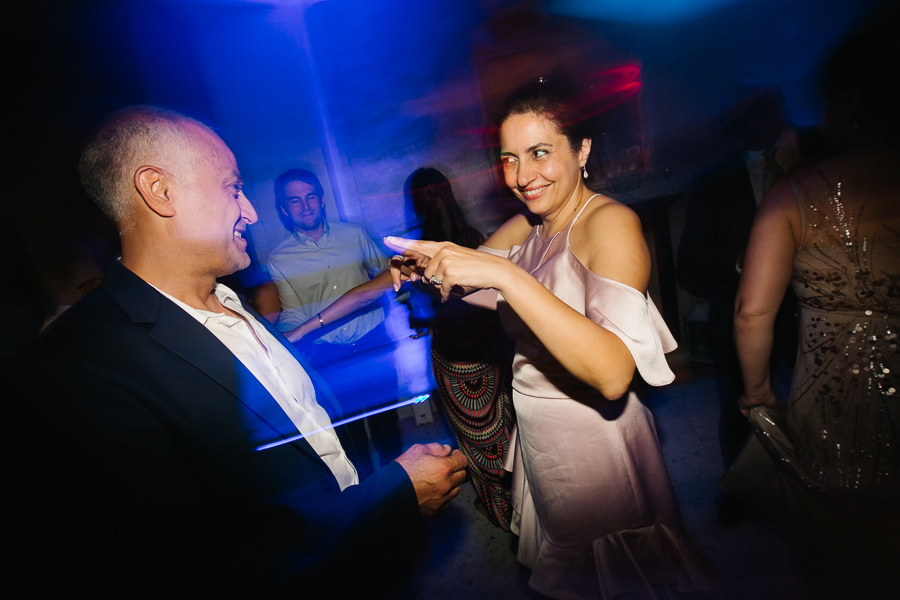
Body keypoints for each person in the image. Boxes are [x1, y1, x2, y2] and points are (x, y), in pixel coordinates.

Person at [5, 105, 468, 599]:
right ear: (160, 191)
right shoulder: (74, 373)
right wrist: (394, 496)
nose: (250, 210)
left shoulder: (232, 302)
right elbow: (201, 565)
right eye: (232, 188)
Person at [387, 78, 716, 599]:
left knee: (618, 575)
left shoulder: (610, 223)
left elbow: (612, 374)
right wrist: (430, 266)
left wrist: (509, 277)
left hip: (596, 438)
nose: (522, 176)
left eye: (540, 153)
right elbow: (479, 293)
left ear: (582, 150)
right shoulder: (527, 226)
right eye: (509, 158)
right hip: (541, 431)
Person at [734, 11, 900, 597]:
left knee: (841, 548)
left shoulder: (796, 194)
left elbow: (752, 313)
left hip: (831, 397)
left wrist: (757, 393)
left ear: (851, 103)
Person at [399, 167, 516, 531]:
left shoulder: (418, 255)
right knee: (509, 430)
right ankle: (527, 507)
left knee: (475, 440)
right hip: (494, 350)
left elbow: (426, 311)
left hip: (453, 358)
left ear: (416, 205)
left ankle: (500, 512)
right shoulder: (476, 242)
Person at [265, 168, 403, 477]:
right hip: (329, 354)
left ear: (322, 200)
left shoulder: (354, 233)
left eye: (311, 197)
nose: (306, 206)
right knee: (348, 435)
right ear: (285, 209)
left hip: (373, 341)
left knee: (387, 425)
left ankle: (403, 490)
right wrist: (280, 339)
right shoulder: (279, 258)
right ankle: (371, 501)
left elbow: (386, 275)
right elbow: (293, 311)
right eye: (296, 201)